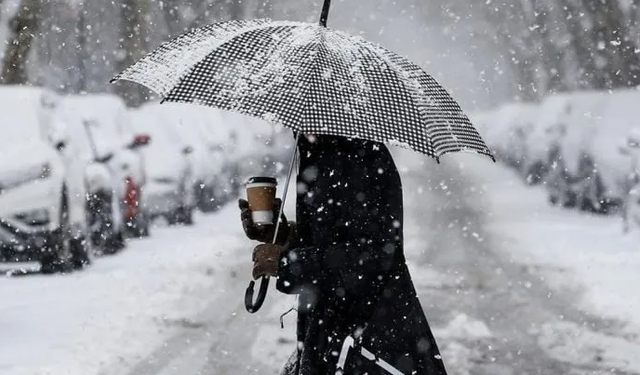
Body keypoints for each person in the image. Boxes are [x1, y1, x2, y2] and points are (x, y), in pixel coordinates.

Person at [239, 135, 448, 375]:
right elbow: (333, 237)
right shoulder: (321, 149)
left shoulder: (359, 157)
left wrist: (288, 263)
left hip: (367, 339)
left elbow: (374, 255)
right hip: (334, 336)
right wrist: (281, 233)